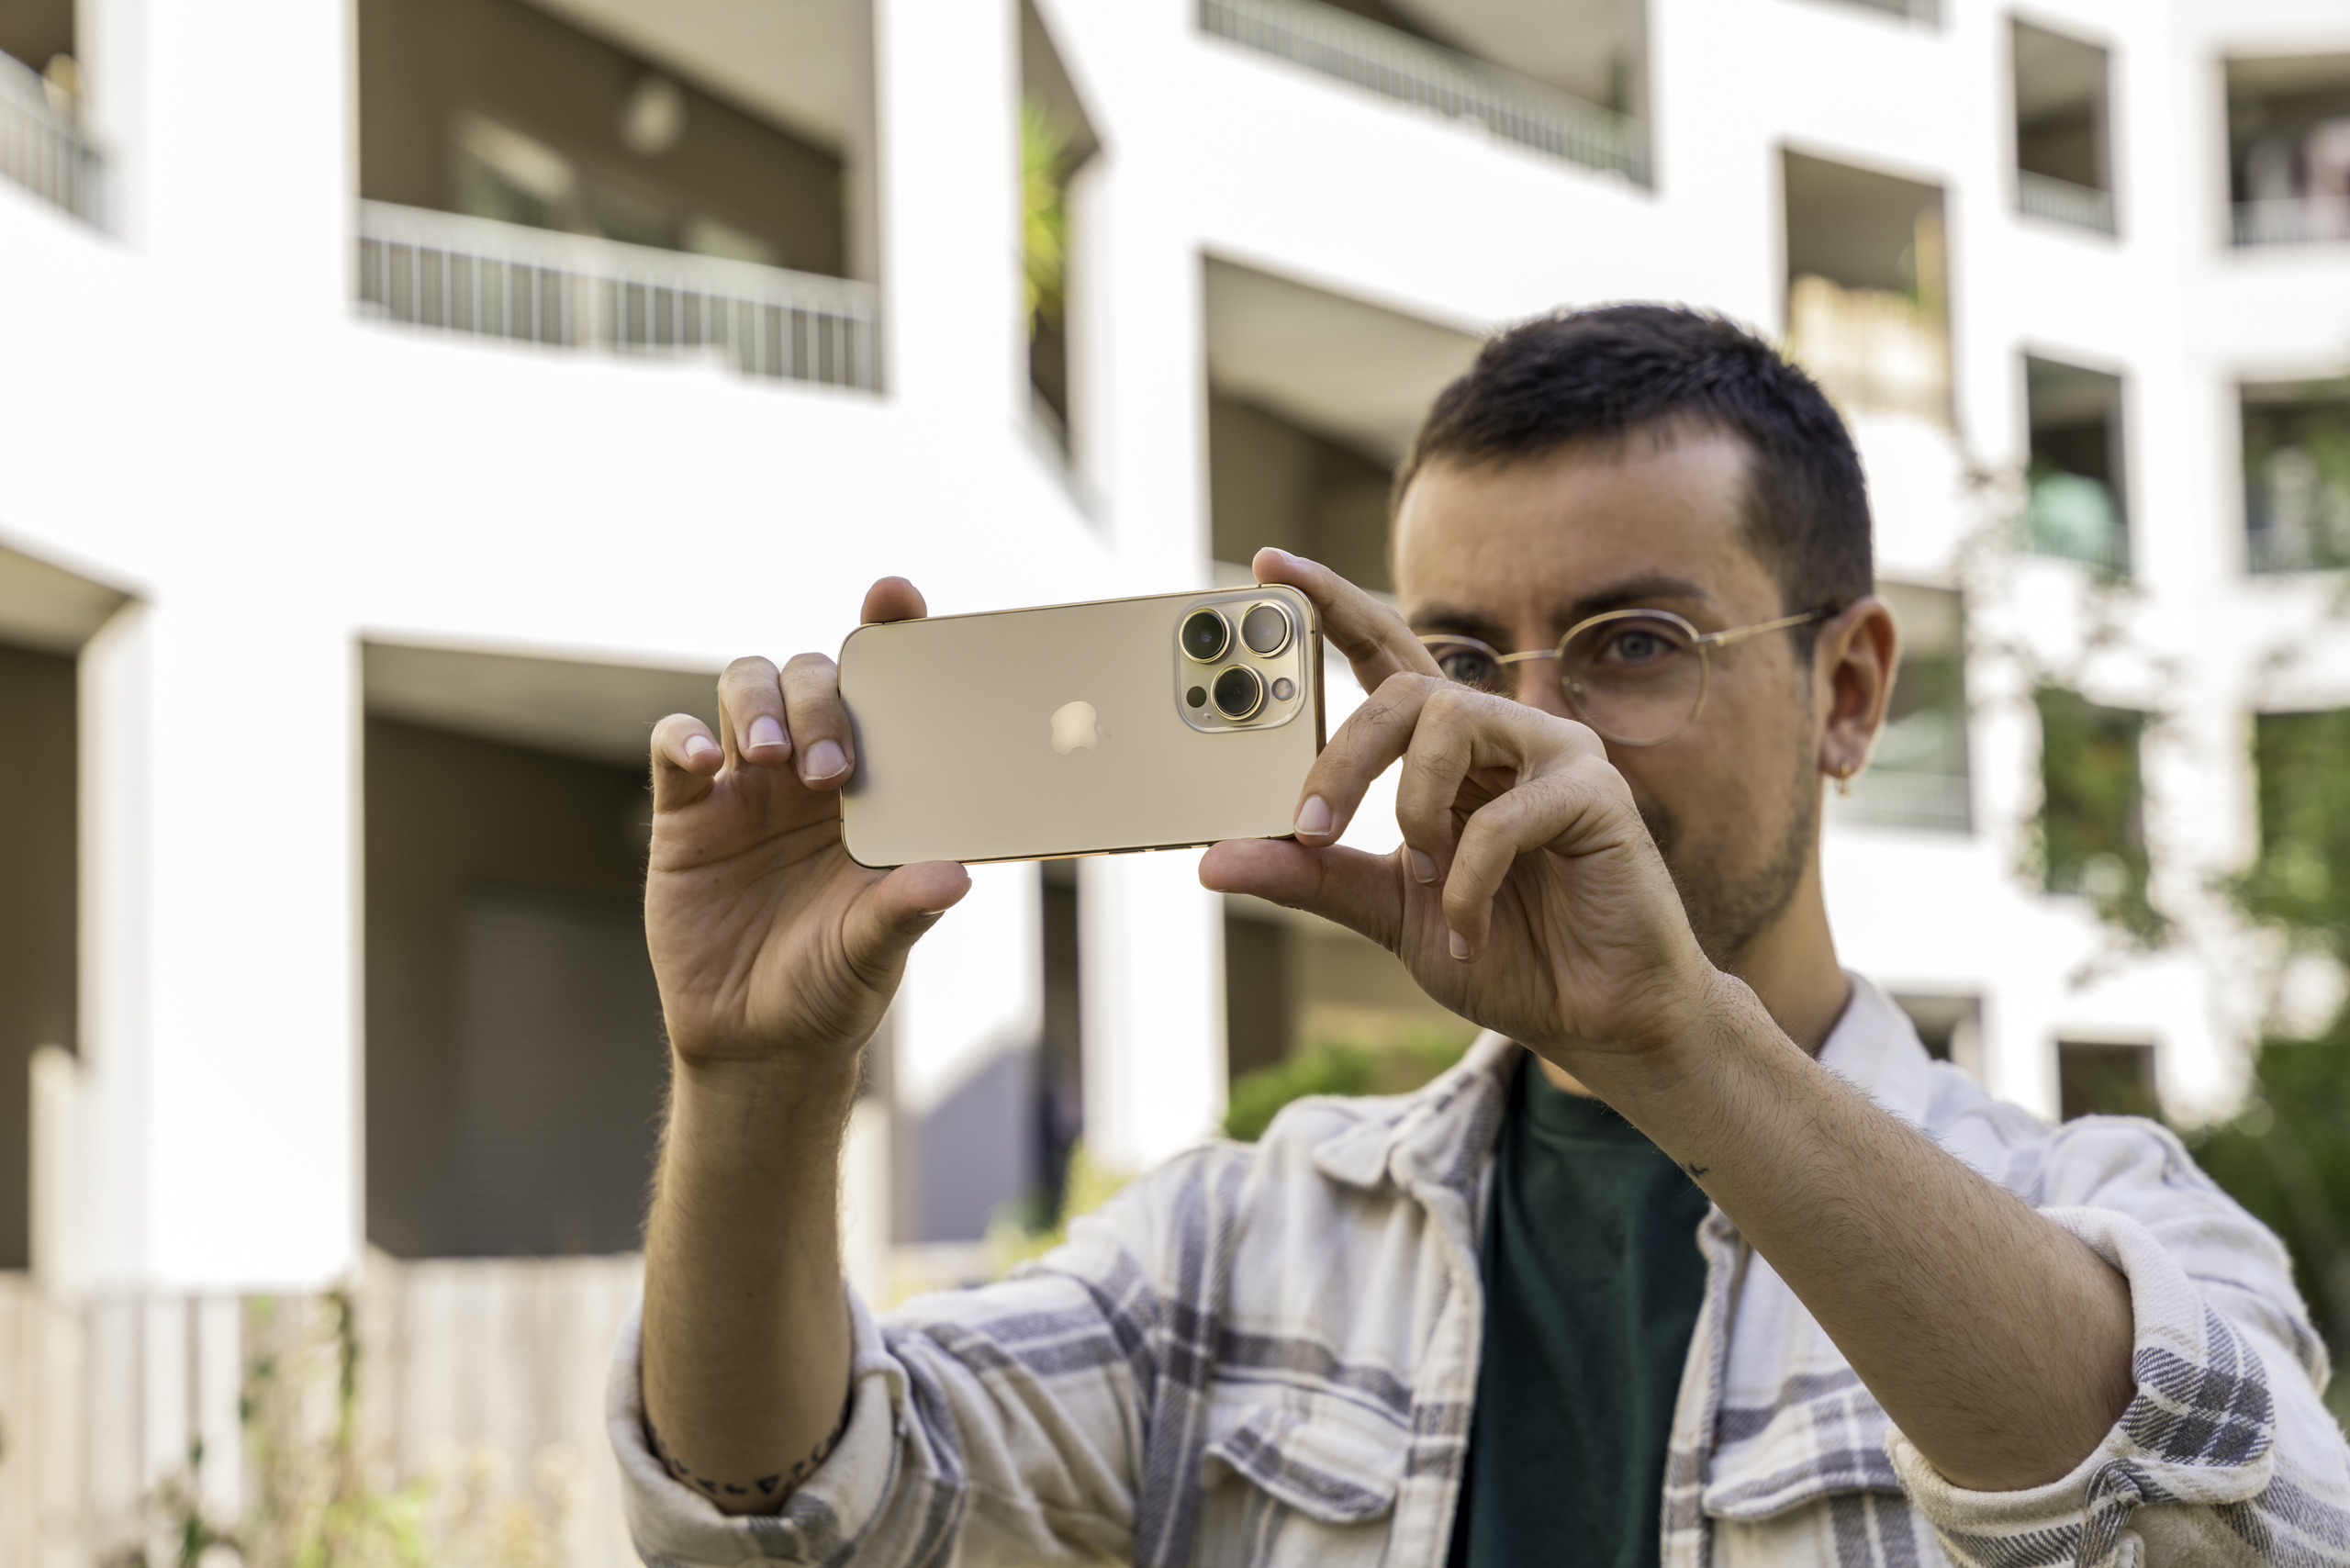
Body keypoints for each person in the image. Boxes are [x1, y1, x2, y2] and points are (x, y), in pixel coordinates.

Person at [610, 306, 2350, 1567]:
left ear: (1851, 689)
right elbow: (789, 1523)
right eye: (1449, 658)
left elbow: (2234, 1533)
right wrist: (757, 1080)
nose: (1533, 731)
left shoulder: (2099, 1220)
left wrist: (1680, 1041)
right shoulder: (1237, 1243)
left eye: (1634, 642)